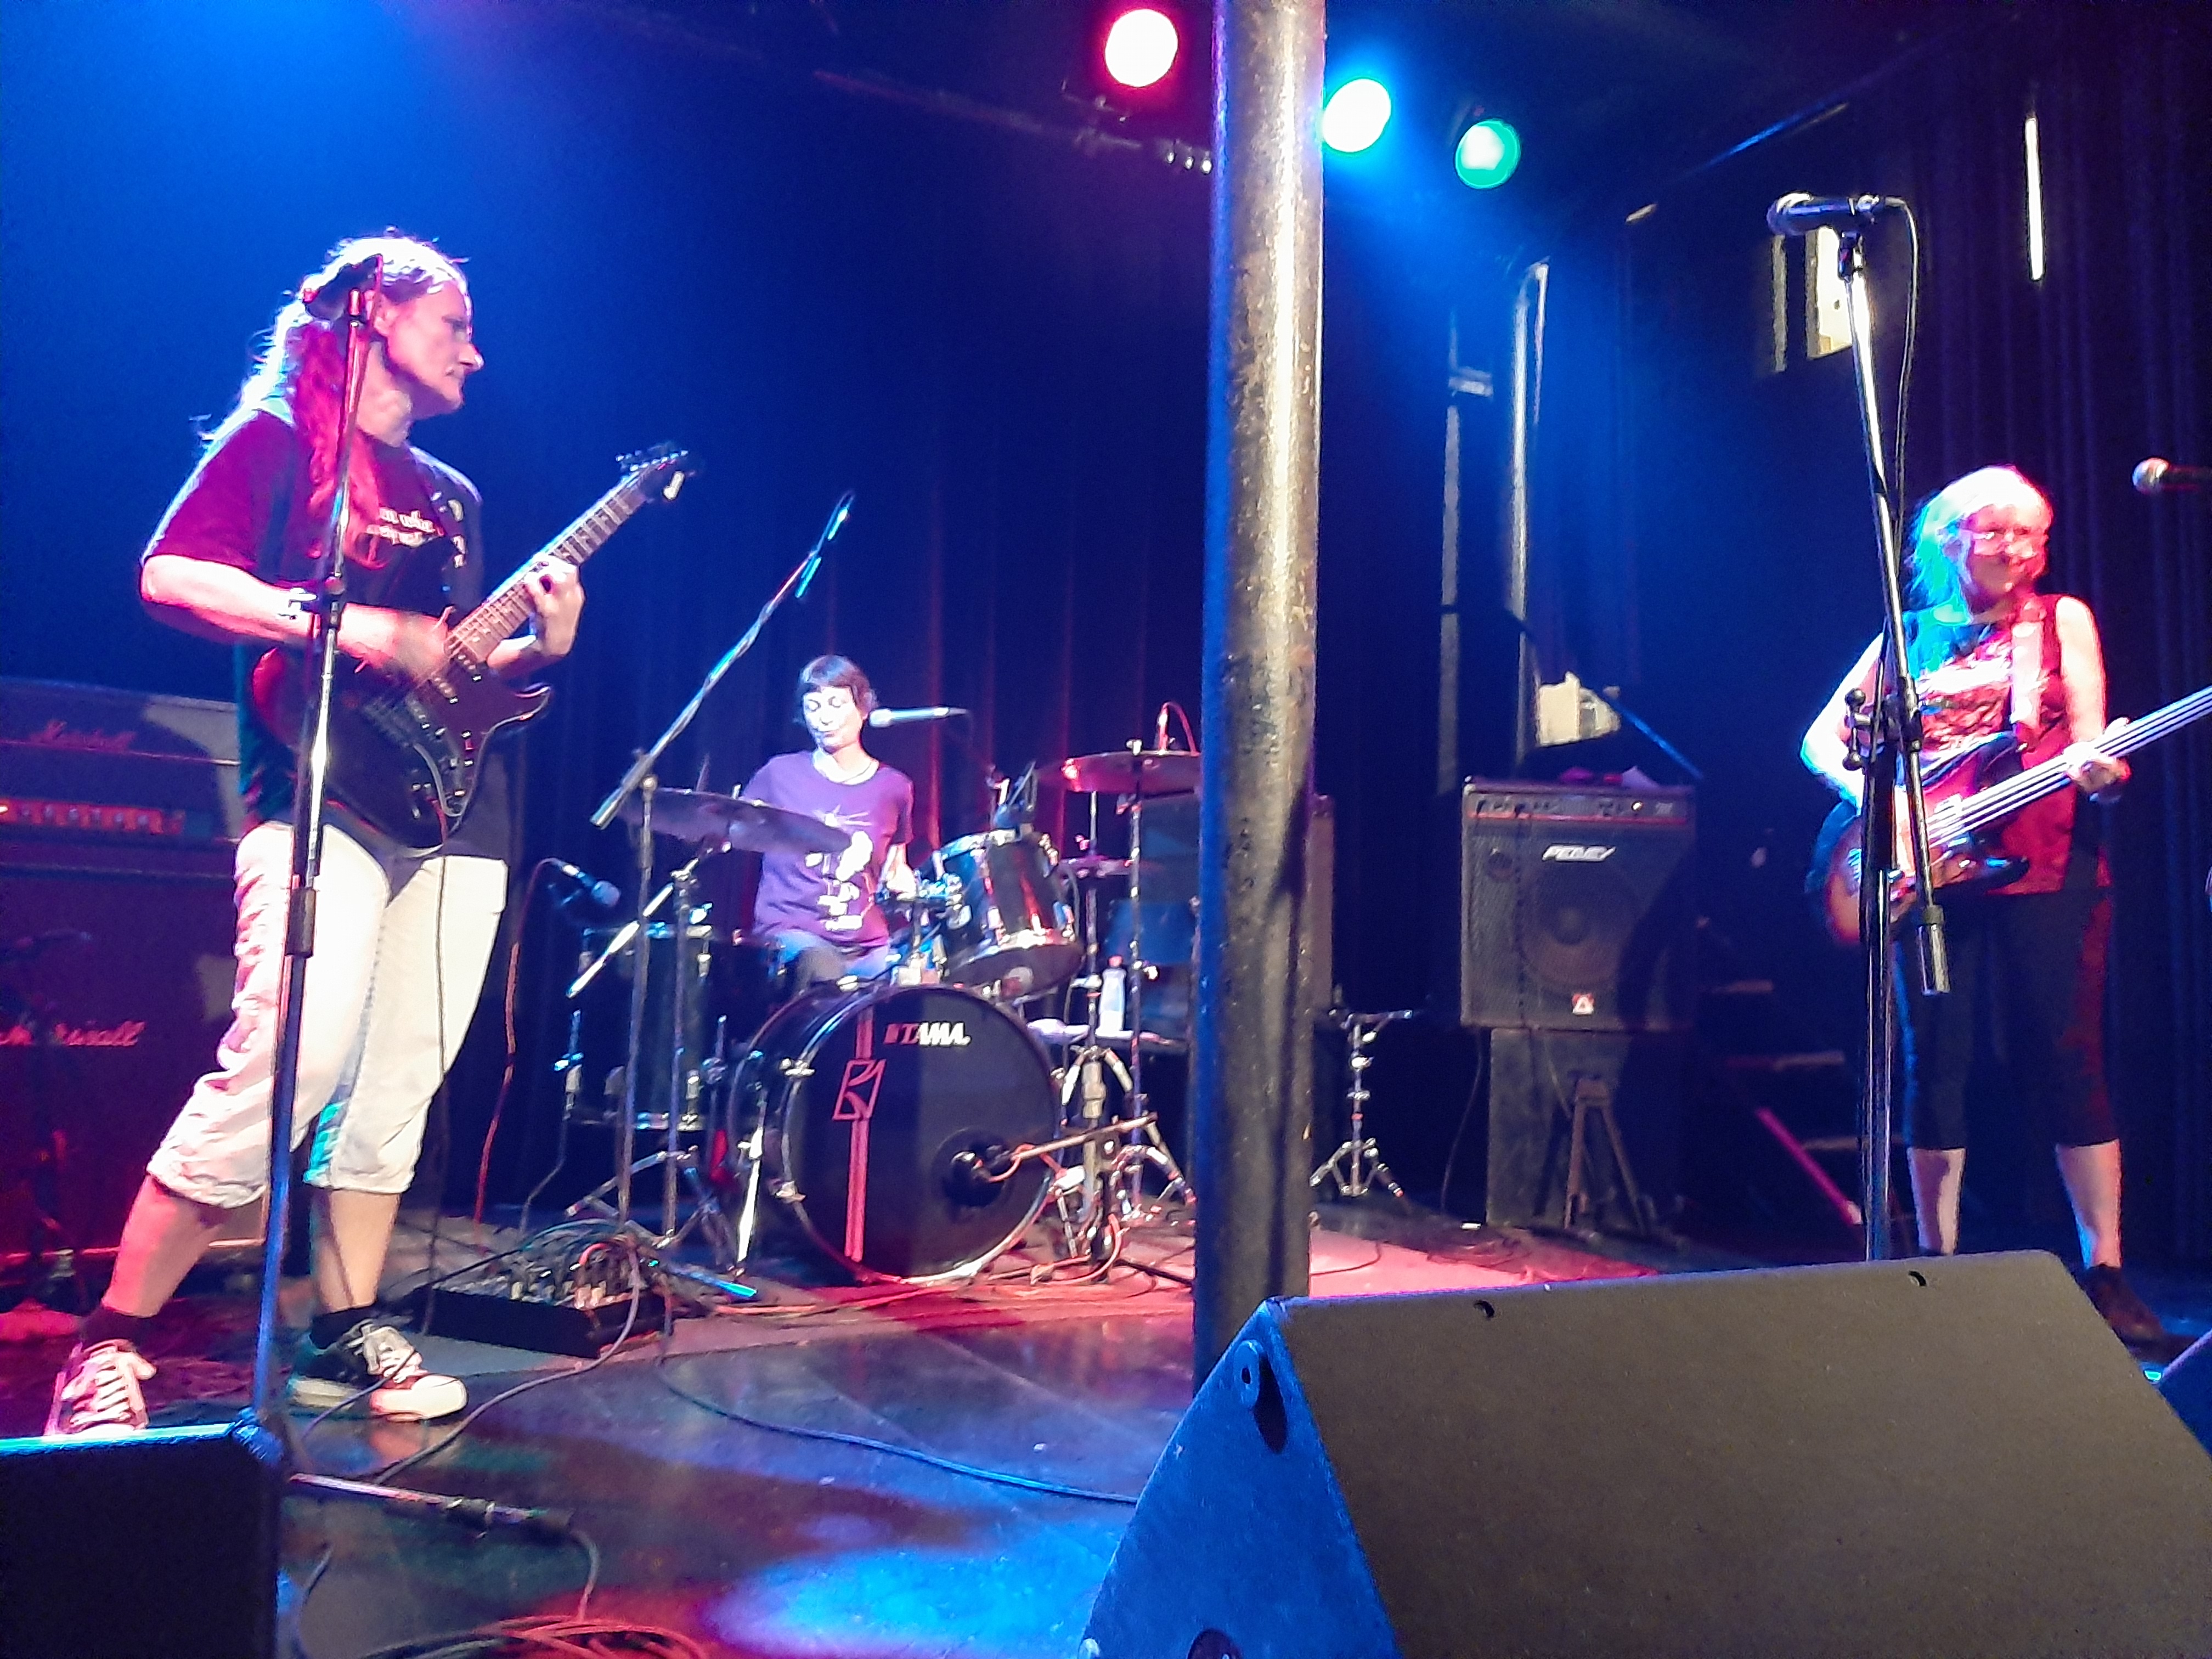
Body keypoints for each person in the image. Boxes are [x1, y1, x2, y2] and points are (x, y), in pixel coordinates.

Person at [45, 235, 585, 1437]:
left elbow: (451, 671)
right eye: (456, 323)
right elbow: (173, 574)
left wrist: (537, 649)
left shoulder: (454, 495)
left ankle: (345, 1331)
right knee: (292, 1059)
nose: (475, 353)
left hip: (456, 818)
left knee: (394, 1088)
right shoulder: (278, 440)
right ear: (377, 311)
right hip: (316, 800)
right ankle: (110, 1341)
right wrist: (342, 625)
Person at [1802, 464, 2163, 1344]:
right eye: (1997, 531)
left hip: (2048, 859)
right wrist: (1884, 803)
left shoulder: (2062, 620)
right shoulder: (1906, 635)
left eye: (2032, 534)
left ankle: (2106, 1271)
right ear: (1948, 539)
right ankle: (1936, 1265)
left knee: (2065, 1051)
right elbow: (1819, 740)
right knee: (1935, 1056)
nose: (2018, 549)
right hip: (1930, 868)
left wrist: (2104, 774)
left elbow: (2092, 749)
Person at [741, 656, 917, 992]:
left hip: (868, 944)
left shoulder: (894, 787)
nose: (824, 717)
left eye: (836, 704)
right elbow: (733, 829)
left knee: (913, 980)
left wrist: (912, 894)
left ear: (863, 708)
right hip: (794, 935)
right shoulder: (779, 775)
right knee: (820, 967)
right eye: (813, 707)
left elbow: (896, 868)